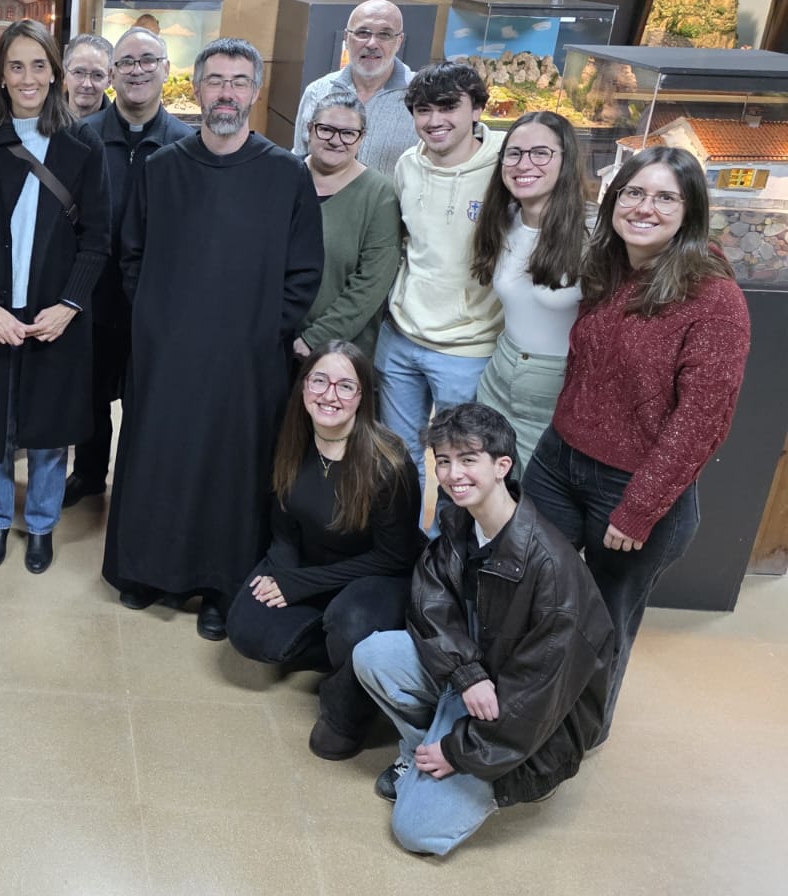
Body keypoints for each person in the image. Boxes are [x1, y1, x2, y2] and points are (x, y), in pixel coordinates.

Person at [103, 38, 324, 639]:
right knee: (158, 460)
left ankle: (220, 587)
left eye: (239, 81)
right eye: (216, 81)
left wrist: (259, 333)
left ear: (254, 93)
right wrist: (155, 323)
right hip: (167, 352)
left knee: (233, 474)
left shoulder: (285, 174)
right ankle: (147, 570)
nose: (226, 93)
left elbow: (303, 272)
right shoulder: (160, 169)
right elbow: (133, 256)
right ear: (195, 90)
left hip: (247, 360)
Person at [524, 146, 749, 735]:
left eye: (665, 197)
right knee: (526, 585)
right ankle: (521, 710)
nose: (645, 207)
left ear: (690, 210)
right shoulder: (609, 267)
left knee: (603, 619)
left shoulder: (714, 297)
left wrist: (639, 508)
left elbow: (703, 420)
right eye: (634, 193)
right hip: (559, 461)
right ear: (615, 199)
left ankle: (580, 733)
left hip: (632, 491)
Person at [352, 403, 614, 856]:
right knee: (373, 655)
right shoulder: (459, 519)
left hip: (530, 726)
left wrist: (459, 752)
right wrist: (466, 673)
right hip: (478, 683)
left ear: (502, 466)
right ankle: (423, 751)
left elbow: (537, 698)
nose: (454, 474)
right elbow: (428, 599)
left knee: (415, 831)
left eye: (469, 459)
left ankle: (448, 758)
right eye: (445, 461)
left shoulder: (551, 569)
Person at [0, 19, 109, 574]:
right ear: (1, 77)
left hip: (56, 312)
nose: (29, 76)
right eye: (17, 65)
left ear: (55, 73)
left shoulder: (83, 146)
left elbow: (97, 238)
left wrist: (70, 305)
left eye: (40, 64)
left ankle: (39, 525)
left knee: (48, 428)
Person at [226, 342, 421, 758]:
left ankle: (347, 697)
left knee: (351, 626)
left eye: (345, 386)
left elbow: (395, 558)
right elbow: (284, 530)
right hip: (317, 564)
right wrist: (280, 576)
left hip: (377, 577)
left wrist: (297, 586)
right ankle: (338, 649)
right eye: (319, 380)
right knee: (246, 630)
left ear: (363, 397)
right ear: (303, 387)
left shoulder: (390, 461)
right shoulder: (293, 439)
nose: (329, 395)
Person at [66, 26, 191, 507]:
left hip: (155, 302)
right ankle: (90, 474)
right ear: (113, 74)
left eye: (147, 60)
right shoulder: (83, 137)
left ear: (164, 69)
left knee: (148, 401)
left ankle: (138, 483)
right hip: (91, 296)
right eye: (126, 63)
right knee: (91, 396)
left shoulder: (184, 144)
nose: (137, 70)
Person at [375, 62, 505, 508]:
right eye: (423, 110)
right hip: (401, 337)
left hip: (467, 350)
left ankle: (449, 557)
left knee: (462, 467)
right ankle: (404, 553)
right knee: (396, 459)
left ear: (477, 109)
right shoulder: (407, 165)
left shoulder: (507, 166)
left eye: (449, 107)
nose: (434, 121)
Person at [470, 111, 585, 473]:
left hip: (555, 389)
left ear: (565, 161)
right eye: (514, 153)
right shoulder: (502, 220)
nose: (524, 164)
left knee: (537, 504)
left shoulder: (592, 236)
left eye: (541, 153)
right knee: (486, 488)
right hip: (499, 374)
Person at [293, 90, 401, 360]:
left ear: (361, 137)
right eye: (326, 129)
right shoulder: (283, 178)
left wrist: (314, 339)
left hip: (337, 351)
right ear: (309, 129)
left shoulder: (380, 195)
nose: (335, 140)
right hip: (272, 340)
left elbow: (371, 284)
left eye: (348, 133)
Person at [293, 0, 419, 175]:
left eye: (384, 35)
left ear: (399, 41)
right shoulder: (318, 91)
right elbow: (298, 161)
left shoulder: (421, 97)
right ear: (346, 37)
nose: (372, 44)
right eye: (363, 32)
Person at [63, 32, 113, 118]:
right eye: (78, 73)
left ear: (109, 80)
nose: (87, 84)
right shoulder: (42, 121)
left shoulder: (121, 128)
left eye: (97, 75)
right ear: (65, 73)